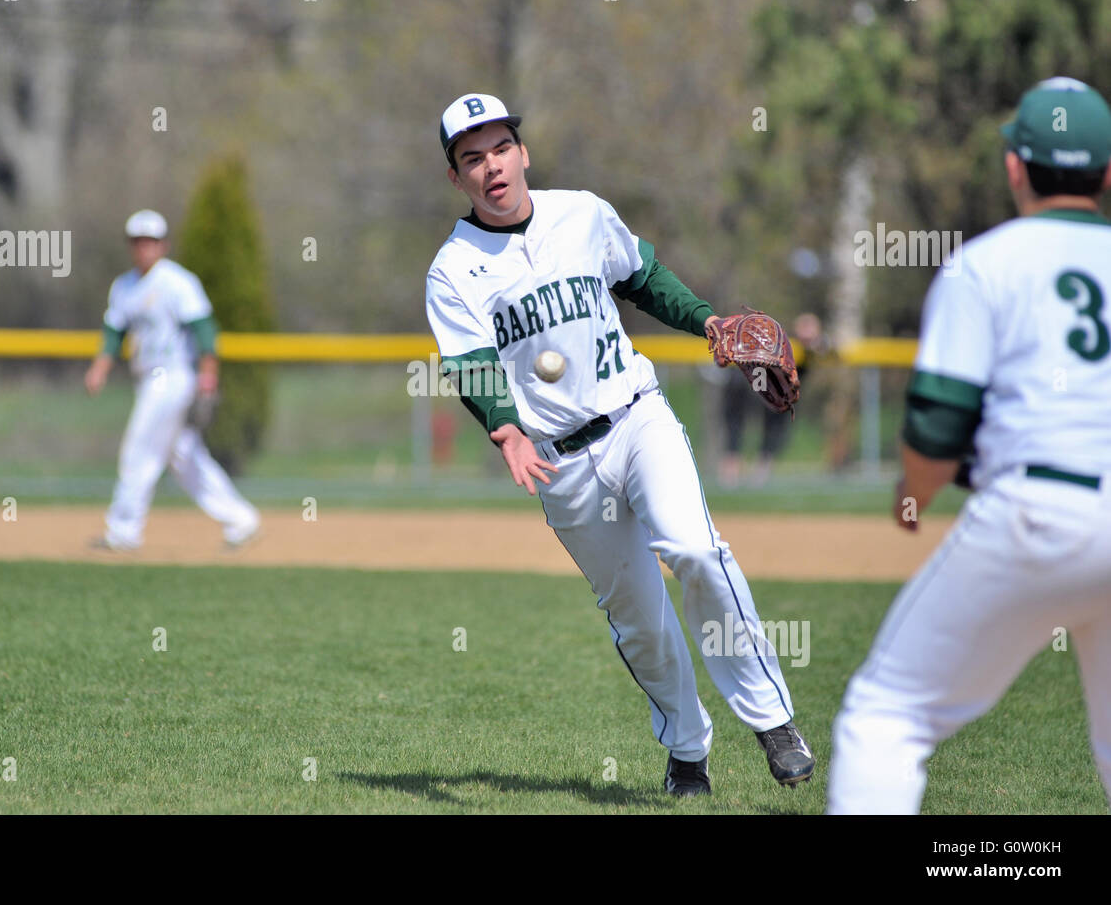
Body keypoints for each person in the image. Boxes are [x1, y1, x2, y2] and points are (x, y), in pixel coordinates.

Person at [425, 93, 814, 796]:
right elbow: (471, 363)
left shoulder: (583, 211)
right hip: (560, 461)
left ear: (524, 151)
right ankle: (688, 749)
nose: (492, 166)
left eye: (500, 148)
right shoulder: (453, 270)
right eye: (471, 158)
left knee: (695, 549)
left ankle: (773, 719)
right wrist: (505, 426)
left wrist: (708, 322)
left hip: (637, 416)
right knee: (639, 618)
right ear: (457, 178)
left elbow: (642, 278)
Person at [828, 77, 1111, 814]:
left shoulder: (983, 263)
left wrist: (913, 495)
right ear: (1108, 173)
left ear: (1015, 165)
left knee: (887, 714)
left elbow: (938, 423)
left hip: (1037, 512)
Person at [84, 209, 261, 551]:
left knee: (139, 446)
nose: (144, 248)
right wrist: (100, 368)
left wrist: (209, 374)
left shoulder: (178, 282)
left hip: (174, 375)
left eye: (150, 241)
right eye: (137, 241)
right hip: (148, 377)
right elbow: (114, 332)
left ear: (163, 245)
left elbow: (204, 329)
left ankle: (123, 531)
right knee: (183, 455)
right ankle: (241, 519)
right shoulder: (124, 286)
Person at [718, 313, 825, 487]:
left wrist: (815, 340)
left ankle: (760, 475)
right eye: (804, 326)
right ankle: (730, 476)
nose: (807, 331)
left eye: (810, 327)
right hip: (748, 380)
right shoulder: (781, 338)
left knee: (775, 425)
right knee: (735, 424)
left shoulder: (812, 347)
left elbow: (825, 348)